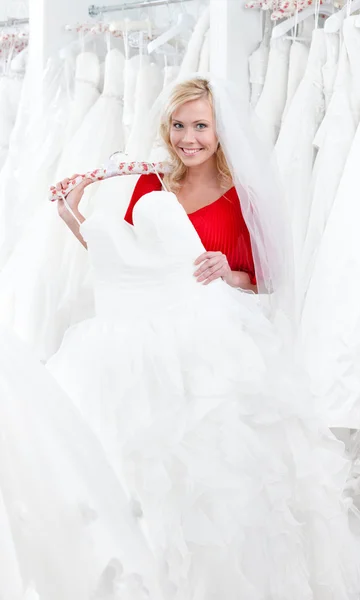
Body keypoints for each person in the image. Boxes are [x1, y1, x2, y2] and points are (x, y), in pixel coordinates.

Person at [50, 77, 360, 599]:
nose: (187, 138)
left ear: (221, 132)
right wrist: (72, 216)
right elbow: (125, 258)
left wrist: (228, 271)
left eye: (200, 126)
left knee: (221, 482)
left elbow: (267, 278)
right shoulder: (151, 183)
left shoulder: (242, 195)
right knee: (146, 476)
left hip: (215, 348)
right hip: (143, 349)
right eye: (178, 125)